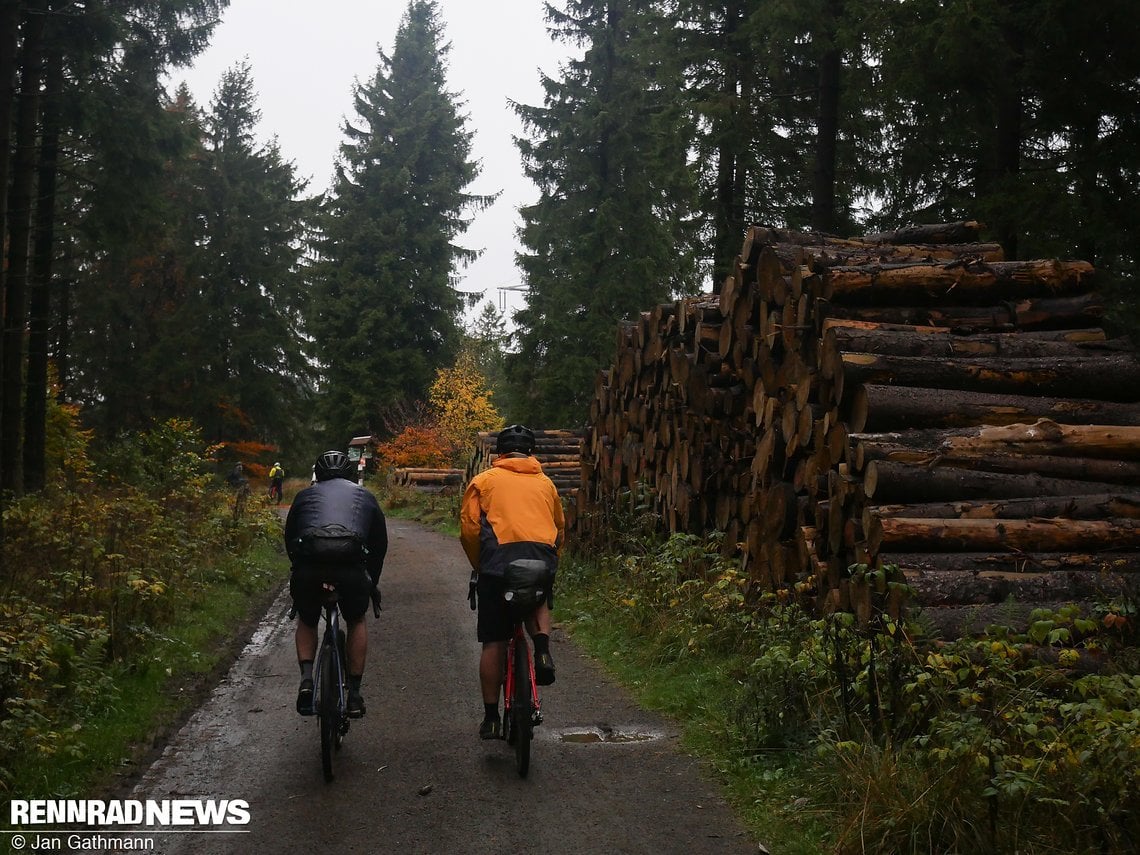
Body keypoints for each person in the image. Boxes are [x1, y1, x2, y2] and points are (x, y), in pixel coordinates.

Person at [460, 424, 564, 740]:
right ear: (530, 452)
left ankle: (491, 717)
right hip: (540, 559)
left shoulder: (483, 481)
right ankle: (543, 650)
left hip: (498, 566)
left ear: (500, 452)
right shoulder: (547, 484)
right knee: (540, 592)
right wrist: (551, 562)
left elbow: (469, 530)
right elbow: (559, 527)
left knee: (494, 642)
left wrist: (481, 565)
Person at [285, 450, 388, 718]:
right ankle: (354, 695)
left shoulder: (304, 495)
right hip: (351, 568)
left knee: (307, 620)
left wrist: (298, 570)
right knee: (356, 620)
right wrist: (371, 583)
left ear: (317, 474)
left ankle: (307, 679)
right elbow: (379, 544)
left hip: (310, 566)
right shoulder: (365, 495)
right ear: (350, 474)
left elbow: (290, 537)